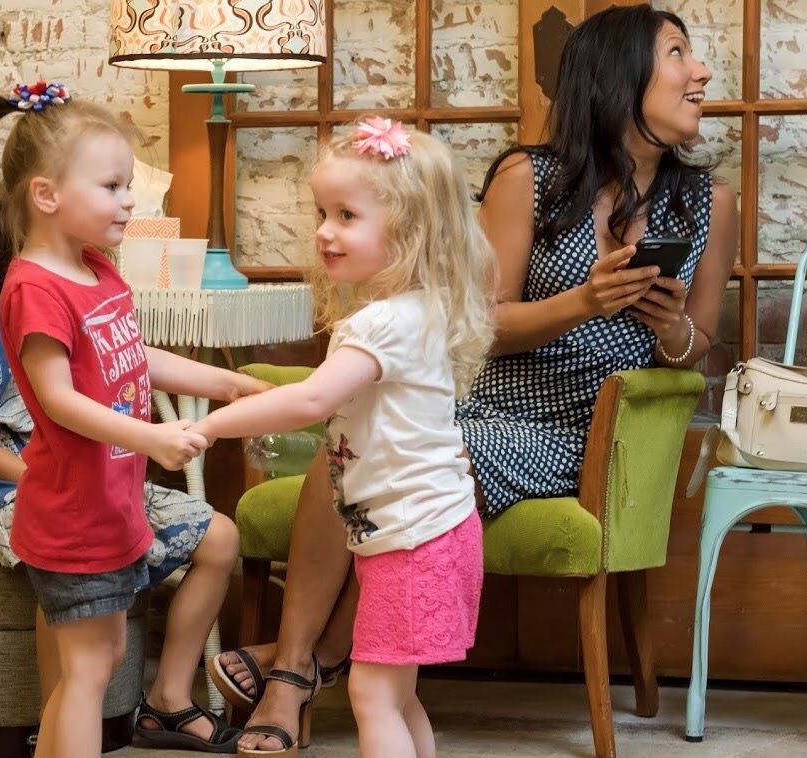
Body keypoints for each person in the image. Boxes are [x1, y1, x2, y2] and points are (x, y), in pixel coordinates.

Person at [209, 4, 738, 753]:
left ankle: (305, 663)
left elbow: (698, 349)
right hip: (487, 399)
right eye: (678, 54)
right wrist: (582, 302)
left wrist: (670, 324)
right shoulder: (531, 178)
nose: (701, 72)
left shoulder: (709, 201)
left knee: (419, 455)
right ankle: (303, 661)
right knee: (355, 446)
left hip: (592, 430)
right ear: (620, 76)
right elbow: (474, 322)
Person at [0, 81, 272, 758]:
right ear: (46, 195)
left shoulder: (96, 269)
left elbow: (132, 354)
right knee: (88, 672)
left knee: (101, 658)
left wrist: (228, 383)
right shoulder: (35, 287)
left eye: (128, 186)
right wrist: (152, 437)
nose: (129, 201)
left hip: (110, 503)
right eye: (112, 186)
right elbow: (57, 399)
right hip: (72, 514)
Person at [192, 119, 495, 758]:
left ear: (409, 230)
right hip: (430, 531)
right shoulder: (421, 308)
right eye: (322, 213)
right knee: (397, 696)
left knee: (372, 694)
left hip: (413, 538)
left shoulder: (381, 323)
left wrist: (208, 425)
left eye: (347, 216)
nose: (325, 231)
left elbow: (312, 399)